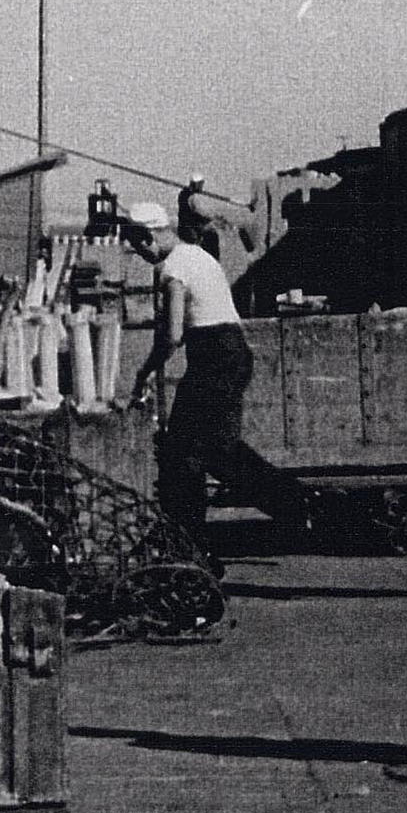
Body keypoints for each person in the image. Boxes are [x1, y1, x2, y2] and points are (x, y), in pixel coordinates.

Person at [122, 200, 305, 555]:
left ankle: (186, 539)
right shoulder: (198, 255)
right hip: (231, 352)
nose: (140, 253)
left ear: (148, 237)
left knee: (183, 455)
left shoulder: (173, 269)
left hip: (213, 358)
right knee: (219, 451)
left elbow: (173, 334)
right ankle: (294, 502)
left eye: (137, 244)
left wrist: (144, 372)